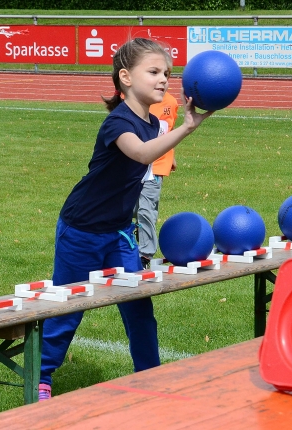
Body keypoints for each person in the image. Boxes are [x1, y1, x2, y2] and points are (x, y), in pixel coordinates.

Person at [38, 38, 213, 401]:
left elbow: (148, 161)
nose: (164, 78)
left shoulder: (151, 122)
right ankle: (42, 377)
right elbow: (139, 154)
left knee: (138, 305)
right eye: (153, 71)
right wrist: (187, 129)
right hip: (81, 229)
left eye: (167, 72)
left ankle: (149, 377)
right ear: (125, 78)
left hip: (119, 232)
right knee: (69, 307)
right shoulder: (118, 123)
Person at [135, 91, 179, 269]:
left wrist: (172, 155)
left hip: (157, 165)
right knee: (132, 209)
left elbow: (169, 131)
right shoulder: (135, 97)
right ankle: (126, 245)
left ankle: (144, 255)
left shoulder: (171, 102)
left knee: (146, 209)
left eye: (165, 75)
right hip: (134, 163)